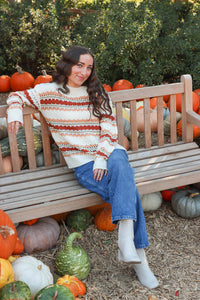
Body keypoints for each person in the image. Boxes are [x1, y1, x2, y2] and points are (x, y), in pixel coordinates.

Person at [7, 45, 159, 289]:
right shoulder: (47, 92)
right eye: (80, 65)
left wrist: (101, 157)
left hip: (108, 154)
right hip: (83, 164)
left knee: (119, 158)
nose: (84, 72)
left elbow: (109, 128)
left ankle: (128, 243)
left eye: (89, 67)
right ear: (67, 64)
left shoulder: (96, 92)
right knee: (127, 189)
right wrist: (15, 113)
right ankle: (138, 258)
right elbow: (16, 96)